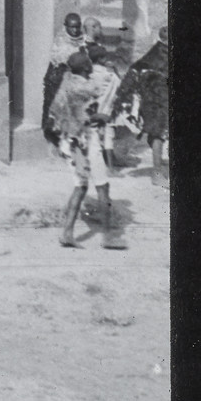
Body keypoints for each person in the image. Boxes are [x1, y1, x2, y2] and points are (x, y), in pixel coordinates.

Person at [52, 48, 128, 250]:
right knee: (102, 187)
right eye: (90, 64)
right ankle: (108, 236)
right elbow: (93, 112)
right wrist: (102, 117)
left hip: (69, 142)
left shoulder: (67, 82)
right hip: (86, 143)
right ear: (86, 67)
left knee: (81, 186)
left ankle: (67, 233)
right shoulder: (86, 88)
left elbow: (56, 111)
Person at [117, 25, 170, 171]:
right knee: (157, 134)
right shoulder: (163, 53)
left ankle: (157, 163)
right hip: (157, 99)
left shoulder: (155, 51)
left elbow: (136, 68)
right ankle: (157, 172)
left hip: (155, 98)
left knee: (156, 133)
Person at [40, 12, 88, 148]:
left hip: (75, 79)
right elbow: (61, 58)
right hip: (57, 78)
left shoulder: (83, 39)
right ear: (65, 26)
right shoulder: (60, 40)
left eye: (77, 27)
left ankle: (71, 138)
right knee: (54, 109)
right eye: (71, 27)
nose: (74, 30)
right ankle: (53, 137)